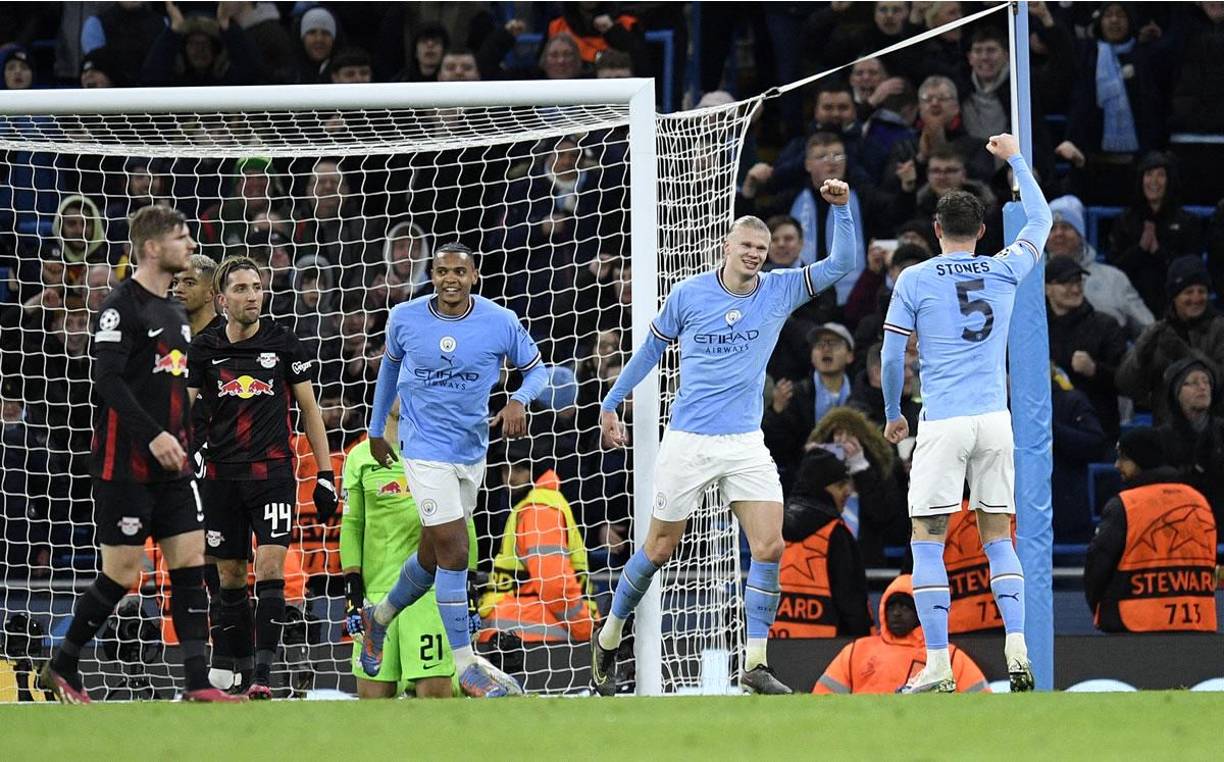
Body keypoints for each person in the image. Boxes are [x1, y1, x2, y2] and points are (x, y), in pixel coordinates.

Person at [593, 181, 858, 696]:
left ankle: (755, 661)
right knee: (658, 547)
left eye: (762, 249)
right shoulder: (690, 294)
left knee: (770, 543)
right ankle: (609, 634)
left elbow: (841, 263)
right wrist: (610, 402)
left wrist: (842, 209)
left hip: (744, 443)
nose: (756, 255)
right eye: (747, 247)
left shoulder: (780, 289)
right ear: (726, 247)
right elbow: (650, 351)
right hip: (688, 440)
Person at [39, 205, 240, 704]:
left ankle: (197, 682)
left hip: (173, 463)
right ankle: (64, 662)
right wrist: (153, 434)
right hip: (123, 463)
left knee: (191, 561)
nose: (190, 245)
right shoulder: (120, 306)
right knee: (123, 573)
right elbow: (105, 379)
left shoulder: (174, 311)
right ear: (152, 248)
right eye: (182, 237)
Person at [881, 133, 1051, 693]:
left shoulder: (915, 278)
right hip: (994, 421)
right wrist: (1017, 160)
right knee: (998, 536)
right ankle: (1019, 646)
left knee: (928, 537)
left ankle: (936, 663)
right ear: (981, 232)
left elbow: (891, 352)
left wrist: (892, 411)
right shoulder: (1003, 269)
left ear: (936, 231)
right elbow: (1041, 220)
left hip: (945, 419)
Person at [360, 242, 549, 698]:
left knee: (432, 555)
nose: (449, 279)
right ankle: (466, 664)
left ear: (474, 276)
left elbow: (538, 370)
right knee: (455, 549)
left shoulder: (500, 321)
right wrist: (375, 427)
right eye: (442, 271)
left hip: (471, 450)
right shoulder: (405, 317)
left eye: (458, 273)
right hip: (422, 447)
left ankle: (378, 617)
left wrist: (520, 398)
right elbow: (388, 372)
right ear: (432, 274)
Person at [186, 256, 337, 699]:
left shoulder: (285, 344)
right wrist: (185, 452)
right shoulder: (204, 347)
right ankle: (242, 663)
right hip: (220, 477)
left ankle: (263, 677)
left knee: (270, 565)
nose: (252, 295)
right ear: (222, 299)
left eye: (257, 287)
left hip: (272, 474)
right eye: (241, 289)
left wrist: (325, 474)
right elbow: (183, 410)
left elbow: (310, 412)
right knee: (230, 576)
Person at [342, 400, 476, 699]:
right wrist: (352, 595)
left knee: (436, 702)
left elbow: (463, 524)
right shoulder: (360, 457)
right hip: (375, 595)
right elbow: (352, 526)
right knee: (374, 708)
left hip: (430, 599)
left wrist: (470, 591)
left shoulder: (441, 453)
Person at [1084, 427, 1217, 633]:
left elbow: (1098, 566)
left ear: (1141, 459)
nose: (1117, 465)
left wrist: (1102, 609)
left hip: (1134, 623)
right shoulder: (1199, 502)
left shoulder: (1126, 505)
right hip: (1198, 621)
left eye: (1123, 457)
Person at [477, 464, 598, 645]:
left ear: (533, 471)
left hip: (526, 631)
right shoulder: (541, 508)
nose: (510, 477)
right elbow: (555, 584)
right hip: (535, 632)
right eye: (505, 469)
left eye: (518, 469)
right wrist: (586, 628)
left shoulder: (538, 508)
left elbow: (553, 582)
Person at [770, 447, 872, 638]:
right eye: (841, 485)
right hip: (827, 652)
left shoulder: (772, 524)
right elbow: (851, 601)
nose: (848, 491)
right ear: (823, 486)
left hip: (771, 647)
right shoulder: (836, 533)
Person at [1116, 256, 1224, 425]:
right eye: (1188, 292)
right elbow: (1128, 388)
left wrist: (1185, 354)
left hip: (1214, 436)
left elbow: (1220, 382)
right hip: (1167, 435)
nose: (1196, 298)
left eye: (1202, 291)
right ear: (1174, 296)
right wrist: (1140, 356)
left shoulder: (1220, 329)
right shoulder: (1158, 332)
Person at [1045, 195, 1153, 340]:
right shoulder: (1029, 282)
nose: (1059, 234)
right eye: (1052, 229)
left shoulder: (1114, 278)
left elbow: (1149, 332)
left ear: (1081, 235)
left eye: (1066, 227)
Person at [763, 323, 855, 490]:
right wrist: (776, 412)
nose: (825, 349)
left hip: (853, 483)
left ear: (850, 355)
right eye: (819, 345)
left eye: (833, 343)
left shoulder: (860, 396)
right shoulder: (795, 395)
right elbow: (778, 451)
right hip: (805, 484)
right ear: (812, 356)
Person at [1045, 256, 1128, 440]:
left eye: (1077, 282)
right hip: (1049, 431)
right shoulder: (1036, 331)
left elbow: (1126, 381)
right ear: (1047, 288)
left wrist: (1095, 370)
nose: (1074, 289)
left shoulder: (1106, 325)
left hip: (1097, 432)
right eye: (1065, 283)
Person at [1157, 357, 1224, 527]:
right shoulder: (1162, 437)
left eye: (1206, 382)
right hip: (1181, 524)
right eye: (1193, 382)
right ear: (1176, 392)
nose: (1203, 387)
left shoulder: (1221, 430)